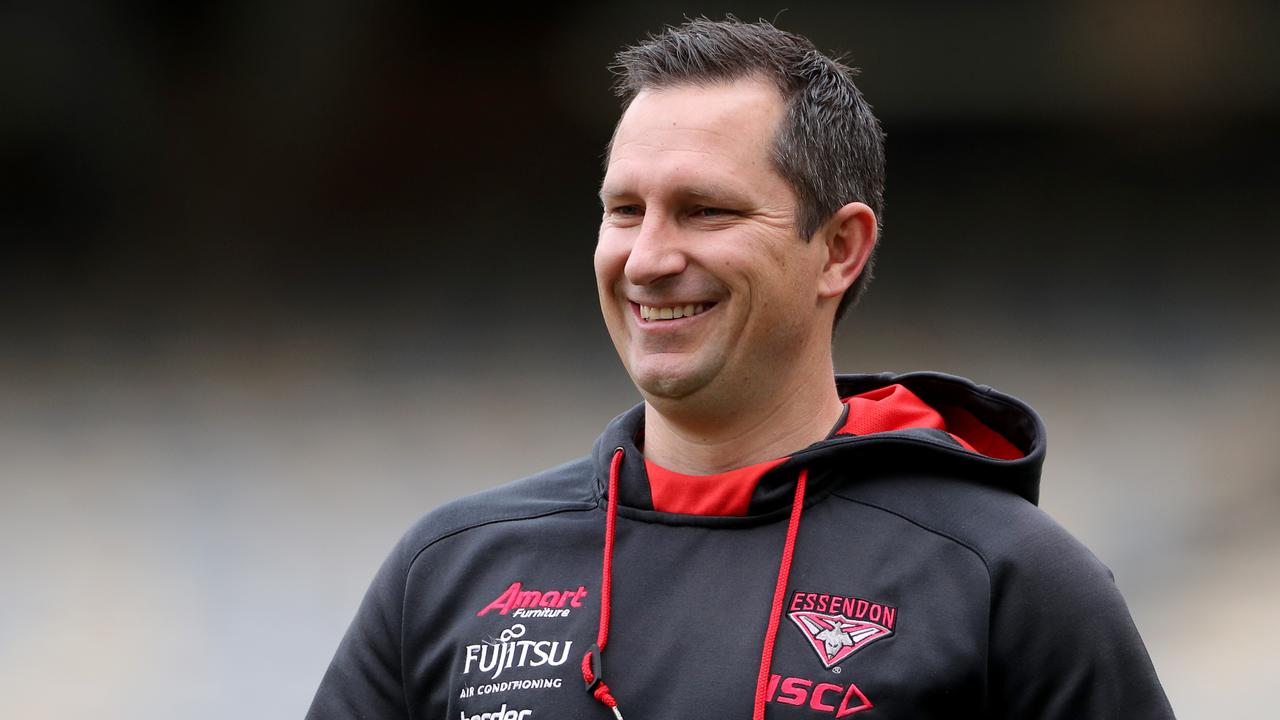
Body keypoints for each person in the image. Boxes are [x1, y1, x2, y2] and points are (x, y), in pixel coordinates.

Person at [307, 17, 1174, 719]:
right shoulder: (454, 568)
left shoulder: (1007, 580)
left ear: (838, 249)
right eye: (624, 210)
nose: (647, 258)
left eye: (704, 210)